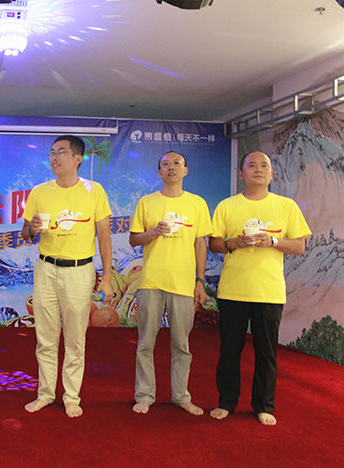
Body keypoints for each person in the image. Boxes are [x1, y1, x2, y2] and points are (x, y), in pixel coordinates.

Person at [208, 150, 311, 426]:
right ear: (241, 174)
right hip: (233, 290)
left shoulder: (286, 206)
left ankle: (264, 405)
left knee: (266, 352)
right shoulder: (227, 206)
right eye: (251, 165)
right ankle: (226, 402)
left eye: (264, 165)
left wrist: (273, 242)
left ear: (272, 174)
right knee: (230, 350)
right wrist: (234, 243)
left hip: (269, 291)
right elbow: (214, 243)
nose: (258, 169)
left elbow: (299, 245)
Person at [21, 135, 114, 418]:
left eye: (61, 152)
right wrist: (33, 229)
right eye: (52, 152)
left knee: (75, 339)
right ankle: (45, 394)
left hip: (79, 271)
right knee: (45, 338)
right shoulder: (39, 191)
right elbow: (25, 234)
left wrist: (106, 277)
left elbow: (104, 237)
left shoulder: (94, 190)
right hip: (46, 269)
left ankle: (72, 396)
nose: (54, 157)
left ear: (77, 159)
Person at [129, 151, 211, 416]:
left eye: (177, 163)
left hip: (183, 283)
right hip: (151, 281)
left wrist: (200, 281)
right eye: (165, 164)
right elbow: (134, 239)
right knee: (146, 343)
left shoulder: (197, 203)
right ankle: (144, 395)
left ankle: (181, 396)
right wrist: (153, 233)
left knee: (182, 345)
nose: (171, 167)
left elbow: (200, 244)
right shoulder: (147, 202)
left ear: (185, 170)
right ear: (159, 172)